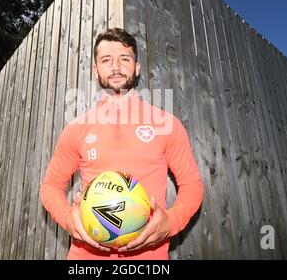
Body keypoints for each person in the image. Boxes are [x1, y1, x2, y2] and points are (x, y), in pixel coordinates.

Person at [40, 28, 203, 260]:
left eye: (124, 59)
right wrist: (68, 219)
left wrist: (172, 222)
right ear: (96, 70)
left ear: (137, 68)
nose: (116, 67)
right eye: (106, 60)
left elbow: (192, 185)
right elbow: (51, 186)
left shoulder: (167, 124)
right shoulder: (76, 129)